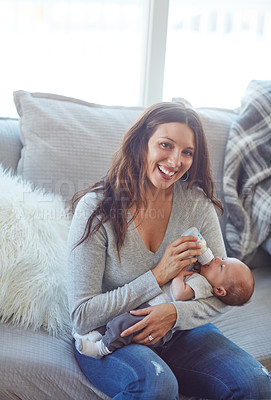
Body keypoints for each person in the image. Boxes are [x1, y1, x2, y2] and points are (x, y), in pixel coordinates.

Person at [67, 102, 271, 399]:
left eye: (187, 152)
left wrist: (173, 314)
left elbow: (221, 292)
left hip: (179, 331)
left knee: (256, 382)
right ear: (142, 144)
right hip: (110, 334)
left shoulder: (197, 205)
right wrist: (158, 274)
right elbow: (82, 315)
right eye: (166, 145)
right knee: (158, 385)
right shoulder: (97, 210)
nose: (176, 161)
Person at [74, 245, 255, 359]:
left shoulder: (203, 284)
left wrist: (176, 274)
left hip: (155, 314)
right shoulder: (203, 278)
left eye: (222, 265)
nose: (217, 258)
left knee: (126, 324)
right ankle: (95, 333)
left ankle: (102, 348)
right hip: (151, 307)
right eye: (223, 258)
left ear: (220, 291)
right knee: (122, 317)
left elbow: (179, 293)